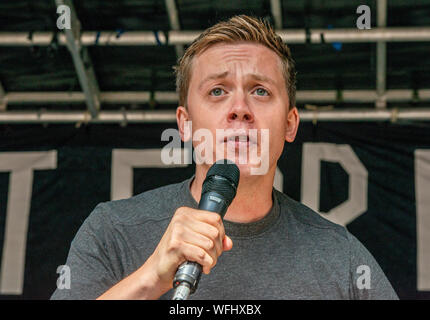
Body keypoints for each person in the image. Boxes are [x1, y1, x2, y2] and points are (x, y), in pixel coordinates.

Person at [51, 15, 398, 300]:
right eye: (217, 91)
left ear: (290, 124)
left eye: (260, 91)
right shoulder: (114, 230)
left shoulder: (341, 258)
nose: (240, 109)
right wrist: (151, 277)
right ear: (185, 124)